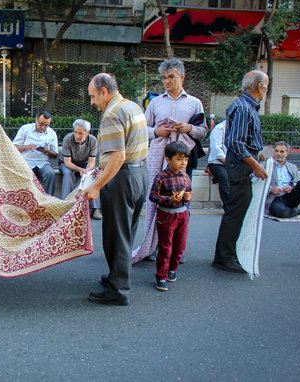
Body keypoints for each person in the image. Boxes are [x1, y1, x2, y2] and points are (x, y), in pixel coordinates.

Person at [83, 73, 148, 306]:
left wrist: (97, 186)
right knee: (126, 233)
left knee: (116, 236)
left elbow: (117, 157)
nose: (92, 103)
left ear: (104, 91)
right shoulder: (133, 107)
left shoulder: (111, 114)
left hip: (123, 177)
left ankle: (118, 290)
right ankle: (116, 276)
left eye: (93, 97)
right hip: (140, 174)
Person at [137, 58, 208, 262]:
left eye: (171, 77)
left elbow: (203, 131)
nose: (166, 81)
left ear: (182, 77)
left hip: (183, 161)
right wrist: (157, 131)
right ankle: (152, 245)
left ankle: (177, 249)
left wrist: (188, 128)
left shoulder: (194, 103)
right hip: (158, 158)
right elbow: (143, 128)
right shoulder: (156, 102)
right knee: (156, 199)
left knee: (181, 201)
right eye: (164, 78)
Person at [213, 70, 269, 273]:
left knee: (236, 212)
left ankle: (227, 254)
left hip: (241, 165)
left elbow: (242, 141)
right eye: (266, 86)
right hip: (240, 168)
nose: (266, 90)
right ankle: (224, 257)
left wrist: (256, 156)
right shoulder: (243, 107)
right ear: (260, 86)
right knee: (235, 214)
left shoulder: (246, 106)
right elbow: (235, 143)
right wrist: (255, 164)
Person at [148, 141, 193, 292]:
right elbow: (153, 196)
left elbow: (190, 193)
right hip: (166, 215)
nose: (183, 163)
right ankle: (161, 276)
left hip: (182, 214)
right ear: (168, 159)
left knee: (180, 246)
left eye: (185, 160)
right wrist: (169, 200)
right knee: (165, 247)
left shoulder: (186, 177)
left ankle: (172, 270)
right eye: (179, 159)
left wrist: (187, 197)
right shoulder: (161, 177)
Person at [59, 119, 101, 220]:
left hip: (84, 164)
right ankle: (66, 205)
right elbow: (67, 162)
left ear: (87, 133)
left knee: (93, 174)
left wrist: (87, 170)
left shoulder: (93, 140)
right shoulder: (68, 139)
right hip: (68, 164)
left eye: (80, 133)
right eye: (75, 132)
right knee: (68, 173)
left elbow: (92, 161)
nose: (77, 136)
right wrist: (79, 170)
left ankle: (95, 208)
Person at [13, 110, 59, 195]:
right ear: (36, 119)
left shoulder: (51, 133)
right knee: (25, 173)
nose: (43, 127)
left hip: (43, 162)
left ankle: (49, 200)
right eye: (41, 124)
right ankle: (26, 200)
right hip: (27, 161)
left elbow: (55, 154)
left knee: (51, 174)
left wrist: (46, 151)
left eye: (46, 125)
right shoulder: (25, 129)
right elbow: (13, 147)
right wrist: (26, 147)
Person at [265, 141, 300, 218]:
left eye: (282, 152)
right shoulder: (267, 166)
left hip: (291, 196)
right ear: (273, 151)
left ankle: (296, 209)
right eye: (276, 151)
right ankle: (299, 211)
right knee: (283, 212)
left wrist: (292, 187)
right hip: (275, 198)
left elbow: (297, 182)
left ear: (287, 153)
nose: (278, 154)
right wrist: (271, 189)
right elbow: (259, 185)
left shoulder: (292, 167)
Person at [207, 119, 230, 207]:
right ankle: (228, 207)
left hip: (233, 162)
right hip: (217, 163)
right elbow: (217, 151)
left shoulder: (239, 128)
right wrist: (229, 164)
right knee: (225, 178)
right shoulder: (219, 129)